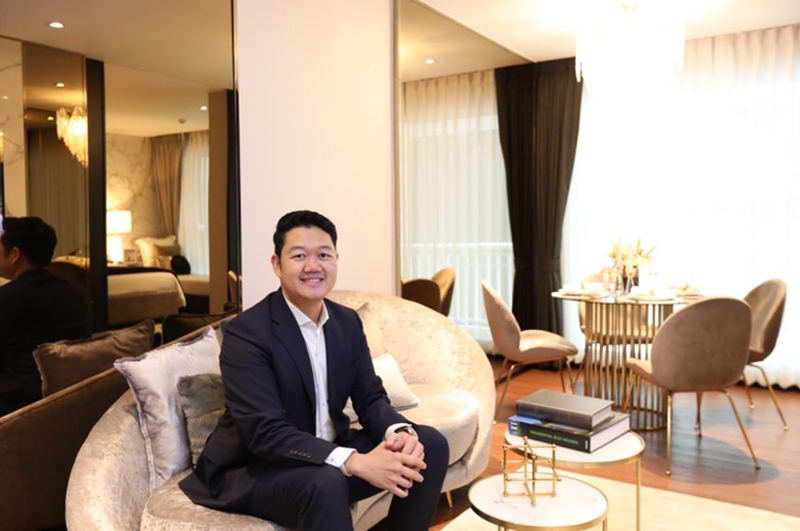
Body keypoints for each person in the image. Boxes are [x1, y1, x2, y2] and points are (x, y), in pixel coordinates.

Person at [180, 210, 449, 530]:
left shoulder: (347, 322)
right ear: (277, 265)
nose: (313, 266)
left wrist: (399, 432)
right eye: (299, 256)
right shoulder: (248, 332)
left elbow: (370, 397)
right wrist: (355, 461)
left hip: (326, 454)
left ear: (336, 260)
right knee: (326, 482)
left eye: (323, 255)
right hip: (258, 467)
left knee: (429, 444)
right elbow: (265, 432)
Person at [0, 216, 93, 415]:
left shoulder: (6, 298)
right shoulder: (79, 294)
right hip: (73, 400)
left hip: (17, 408)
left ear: (15, 254)